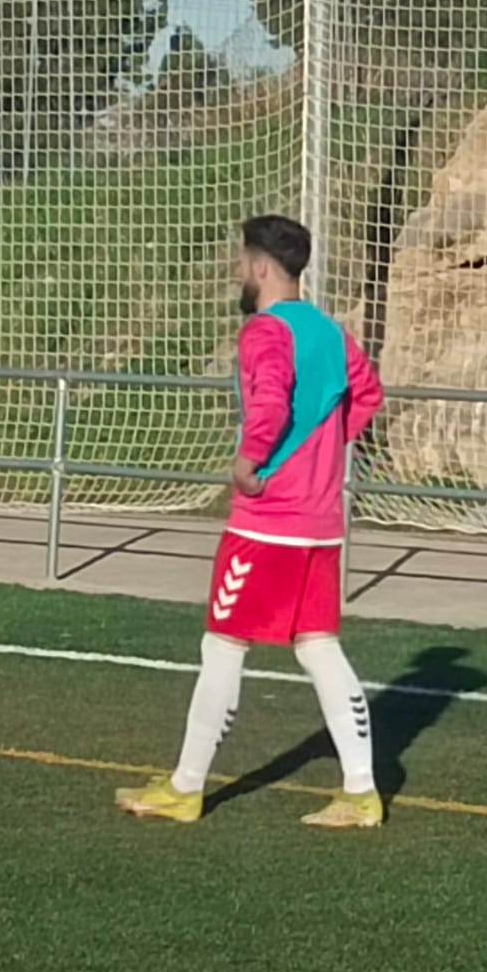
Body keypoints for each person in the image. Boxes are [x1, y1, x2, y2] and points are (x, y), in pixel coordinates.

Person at [116, 216, 386, 829]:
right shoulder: (331, 331)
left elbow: (272, 398)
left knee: (223, 644)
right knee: (319, 647)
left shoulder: (265, 331)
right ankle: (362, 791)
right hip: (320, 521)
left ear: (262, 266)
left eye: (242, 262)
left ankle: (186, 788)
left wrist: (252, 460)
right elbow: (368, 395)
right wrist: (320, 456)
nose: (239, 271)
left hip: (269, 521)